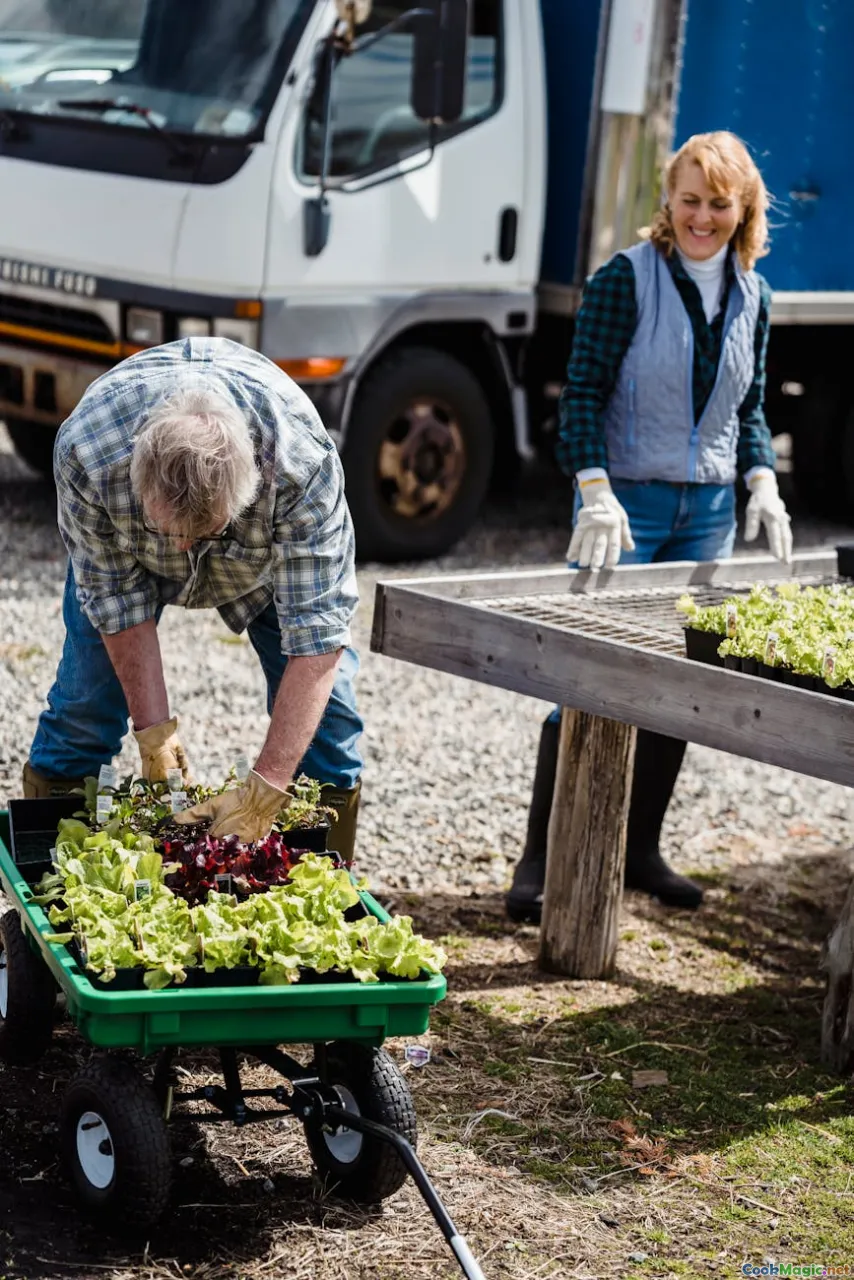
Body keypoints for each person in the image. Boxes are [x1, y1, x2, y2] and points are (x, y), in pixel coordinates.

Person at [507, 130, 793, 923]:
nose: (702, 216)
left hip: (707, 514)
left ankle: (640, 852)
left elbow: (752, 406)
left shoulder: (754, 294)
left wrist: (761, 483)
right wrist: (594, 490)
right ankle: (541, 860)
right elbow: (582, 399)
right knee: (585, 676)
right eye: (690, 199)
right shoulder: (623, 280)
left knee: (679, 690)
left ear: (743, 209)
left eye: (719, 203)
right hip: (623, 508)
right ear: (668, 201)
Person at [22, 335, 363, 858]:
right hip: (130, 559)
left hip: (263, 568)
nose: (183, 546)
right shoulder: (87, 455)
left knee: (330, 729)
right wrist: (154, 734)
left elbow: (319, 633)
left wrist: (265, 789)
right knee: (83, 710)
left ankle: (314, 882)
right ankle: (51, 877)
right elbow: (113, 597)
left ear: (249, 492)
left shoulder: (300, 468)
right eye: (171, 530)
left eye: (201, 531)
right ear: (136, 482)